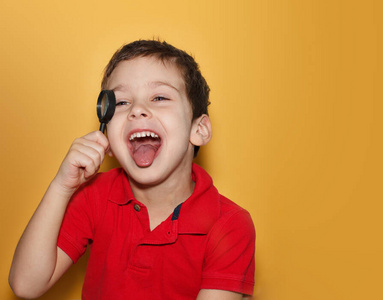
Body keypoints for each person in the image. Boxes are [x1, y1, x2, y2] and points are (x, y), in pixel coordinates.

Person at [9, 40, 255, 299]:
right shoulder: (94, 197)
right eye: (122, 102)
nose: (137, 110)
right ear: (110, 143)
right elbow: (26, 285)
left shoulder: (229, 225)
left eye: (159, 97)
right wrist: (62, 186)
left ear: (199, 130)